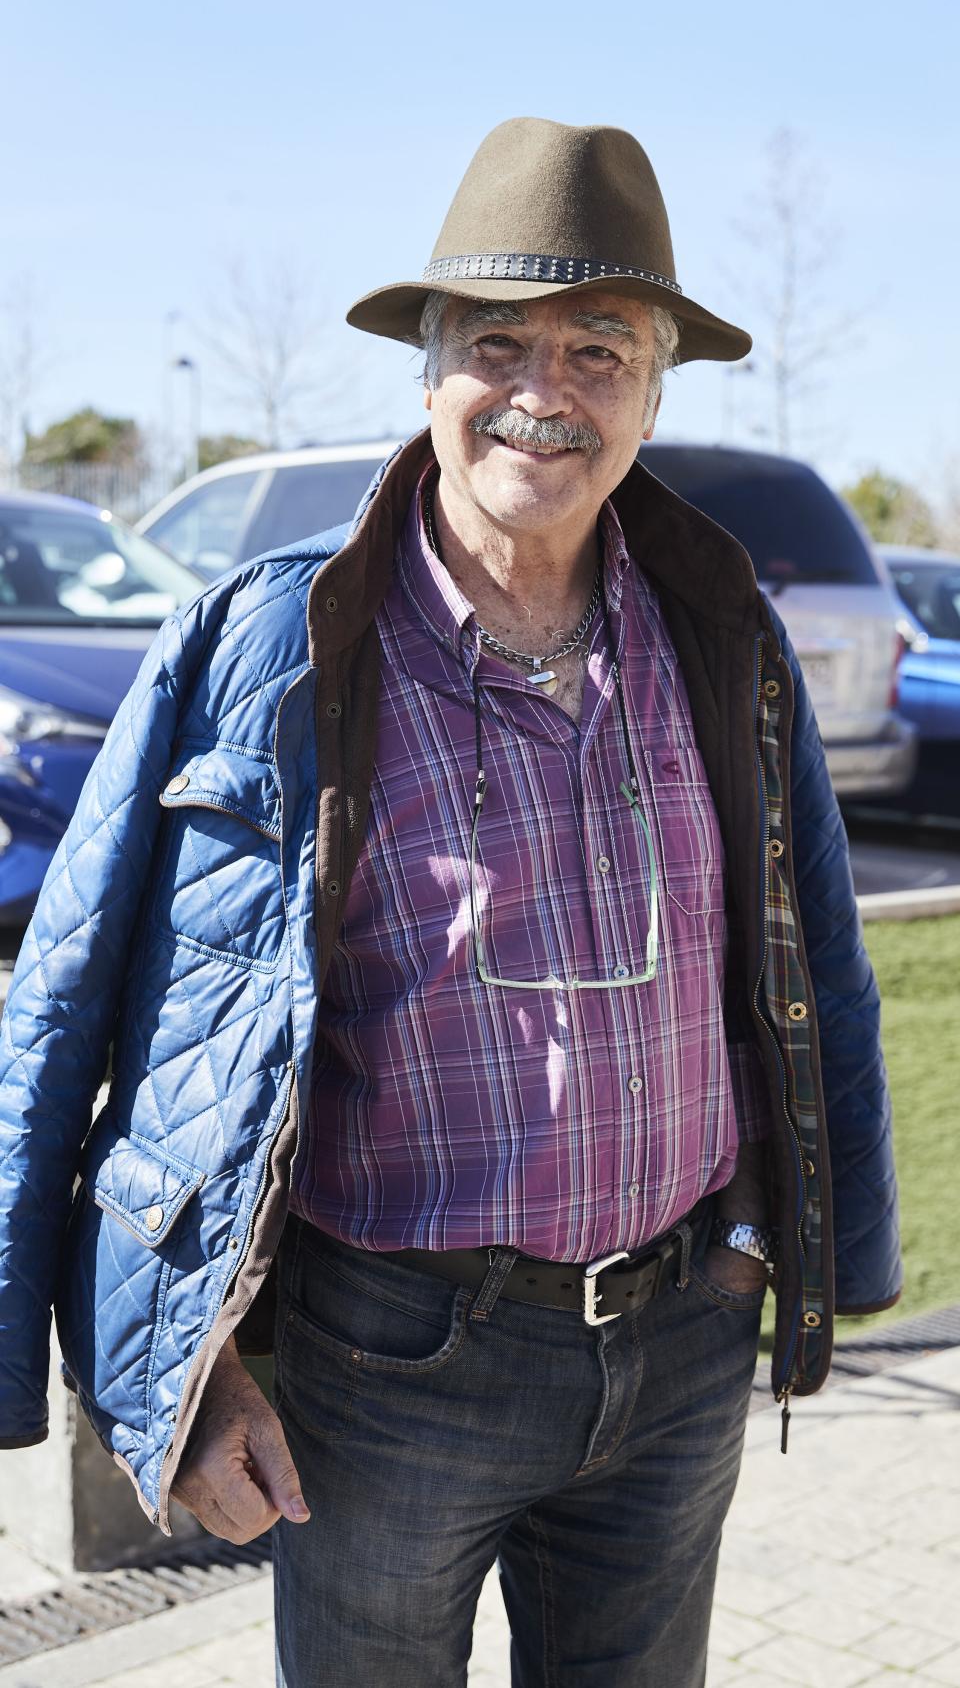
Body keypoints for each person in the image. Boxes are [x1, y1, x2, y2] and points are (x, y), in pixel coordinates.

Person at [0, 118, 900, 1687]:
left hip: (681, 1349)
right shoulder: (266, 648)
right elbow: (75, 1014)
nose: (547, 392)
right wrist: (168, 1379)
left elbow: (816, 954)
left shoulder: (716, 627)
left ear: (653, 391)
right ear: (428, 375)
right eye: (501, 342)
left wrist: (811, 1257)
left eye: (600, 350)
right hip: (388, 1368)